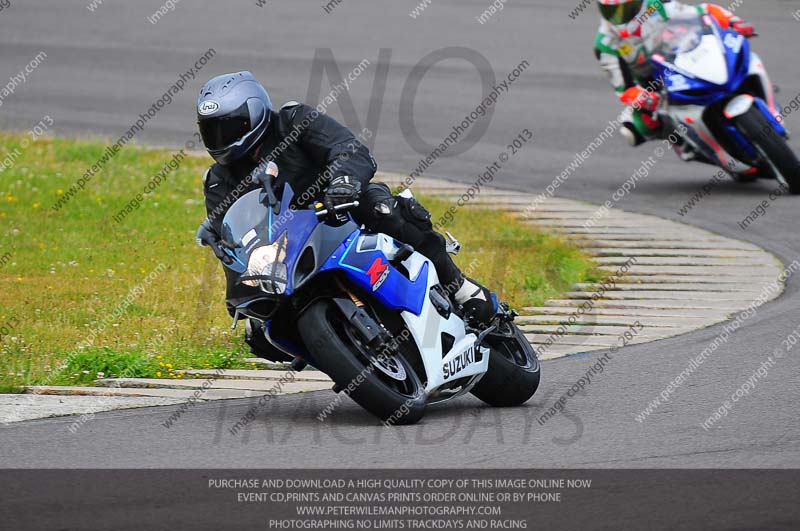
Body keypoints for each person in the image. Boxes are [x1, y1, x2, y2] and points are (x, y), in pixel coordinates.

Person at [195, 71, 497, 338]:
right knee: (262, 336)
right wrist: (244, 293)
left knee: (385, 210)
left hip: (342, 211)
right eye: (211, 130)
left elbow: (347, 149)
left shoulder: (294, 121)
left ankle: (460, 286)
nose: (221, 138)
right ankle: (340, 345)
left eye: (229, 127)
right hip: (289, 251)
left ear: (256, 112)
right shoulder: (218, 182)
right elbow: (234, 245)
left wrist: (344, 182)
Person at [595, 0, 755, 147]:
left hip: (683, 56)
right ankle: (684, 142)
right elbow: (623, 88)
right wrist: (642, 97)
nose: (618, 16)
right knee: (636, 129)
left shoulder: (657, 5)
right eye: (611, 11)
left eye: (625, 9)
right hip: (651, 83)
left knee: (736, 55)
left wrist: (732, 21)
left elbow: (701, 11)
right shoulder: (605, 44)